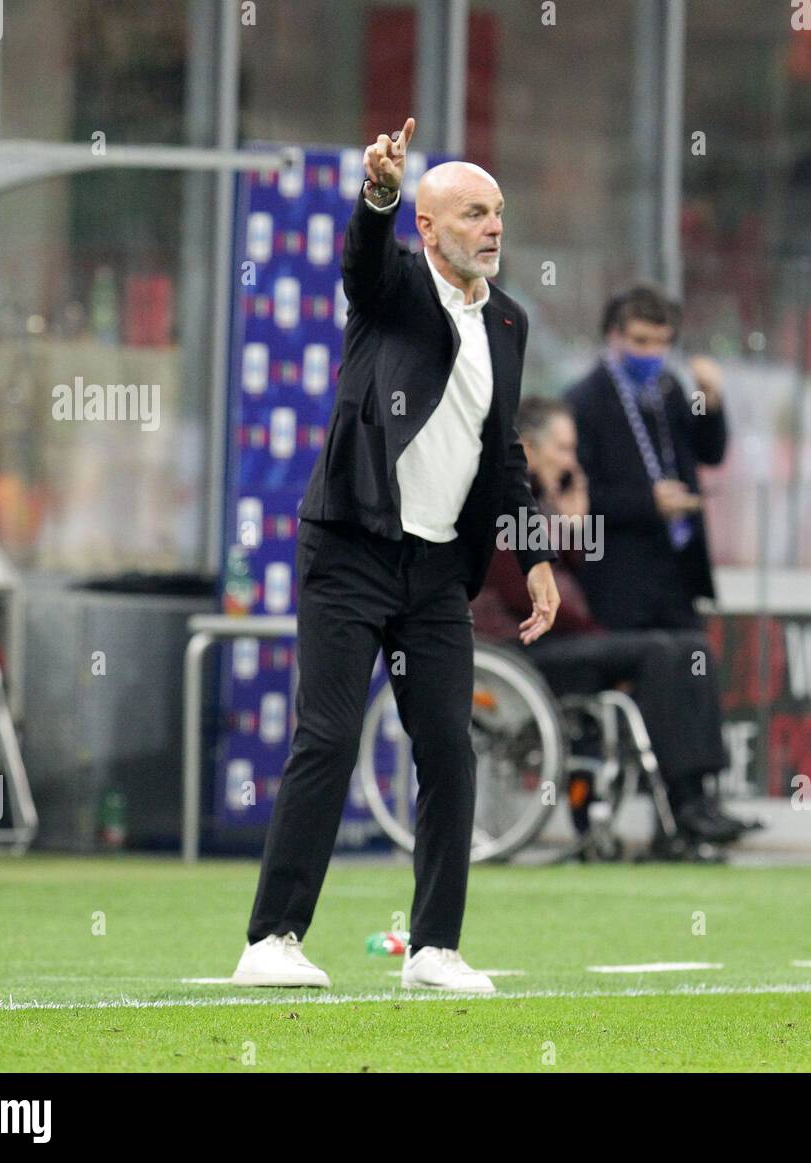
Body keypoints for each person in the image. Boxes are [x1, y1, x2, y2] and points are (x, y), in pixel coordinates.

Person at [231, 117, 560, 993]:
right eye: (474, 214)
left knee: (450, 750)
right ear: (428, 226)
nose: (493, 228)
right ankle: (272, 938)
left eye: (498, 214)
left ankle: (434, 950)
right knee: (329, 735)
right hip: (351, 549)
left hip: (436, 570)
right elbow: (360, 263)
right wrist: (378, 195)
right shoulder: (395, 291)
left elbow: (506, 452)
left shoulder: (512, 323)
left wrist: (530, 552)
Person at [471, 397, 757, 853]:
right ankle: (684, 805)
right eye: (563, 450)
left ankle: (700, 795)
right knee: (659, 652)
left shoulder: (538, 502)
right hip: (518, 652)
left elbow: (575, 566)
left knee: (690, 645)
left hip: (554, 643)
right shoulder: (502, 503)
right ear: (527, 447)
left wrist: (573, 523)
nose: (571, 461)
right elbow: (526, 595)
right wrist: (597, 634)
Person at [565, 284, 728, 633]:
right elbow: (577, 499)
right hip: (618, 575)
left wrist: (711, 403)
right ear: (614, 335)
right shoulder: (585, 402)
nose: (652, 352)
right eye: (641, 341)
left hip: (677, 567)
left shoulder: (669, 390)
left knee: (689, 666)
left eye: (662, 342)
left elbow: (709, 453)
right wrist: (647, 503)